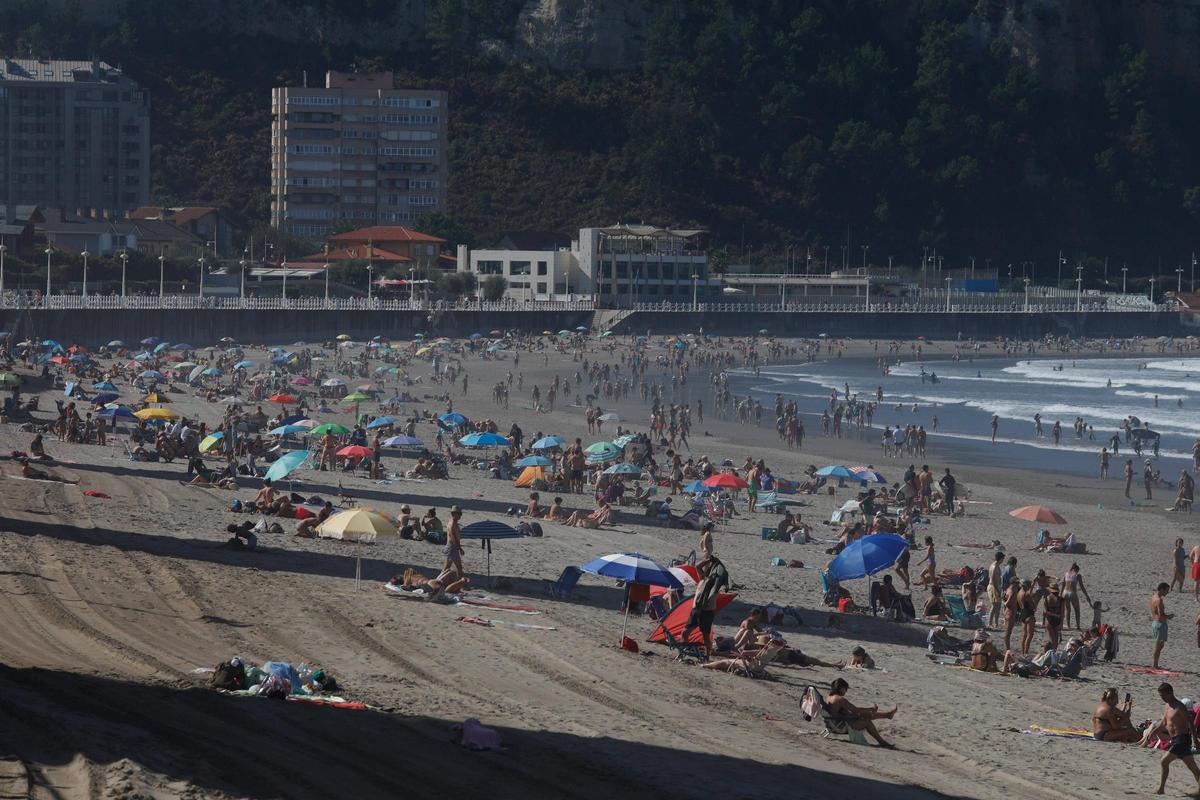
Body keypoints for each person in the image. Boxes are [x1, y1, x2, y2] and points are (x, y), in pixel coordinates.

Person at [1144, 683, 1200, 795]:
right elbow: (1164, 722)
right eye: (1160, 696)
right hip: (1175, 739)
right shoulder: (1167, 706)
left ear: (1170, 693)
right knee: (1193, 767)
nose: (1162, 698)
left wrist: (1195, 740)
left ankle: (1161, 789)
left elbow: (1190, 723)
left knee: (1164, 761)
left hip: (1182, 739)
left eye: (1163, 695)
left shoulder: (1179, 707)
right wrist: (1153, 732)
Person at [825, 678, 897, 749]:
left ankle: (887, 715)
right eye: (845, 689)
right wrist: (870, 709)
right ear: (841, 689)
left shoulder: (829, 697)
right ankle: (882, 742)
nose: (846, 691)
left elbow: (853, 710)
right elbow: (856, 710)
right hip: (841, 726)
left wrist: (868, 710)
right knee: (867, 721)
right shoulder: (840, 699)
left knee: (864, 715)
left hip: (836, 722)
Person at [1152, 582, 1174, 670]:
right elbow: (1161, 615)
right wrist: (1169, 616)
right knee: (1159, 646)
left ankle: (1155, 664)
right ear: (1162, 589)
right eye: (1166, 590)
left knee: (1159, 646)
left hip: (1155, 623)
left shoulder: (1153, 596)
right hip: (1160, 624)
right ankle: (1155, 665)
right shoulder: (1159, 600)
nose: (1167, 592)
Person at [443, 506, 464, 580]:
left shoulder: (454, 523)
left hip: (452, 546)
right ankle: (460, 583)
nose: (460, 516)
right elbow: (453, 537)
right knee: (456, 567)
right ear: (454, 514)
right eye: (459, 514)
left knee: (449, 567)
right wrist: (459, 548)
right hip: (452, 547)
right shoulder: (452, 524)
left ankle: (439, 580)